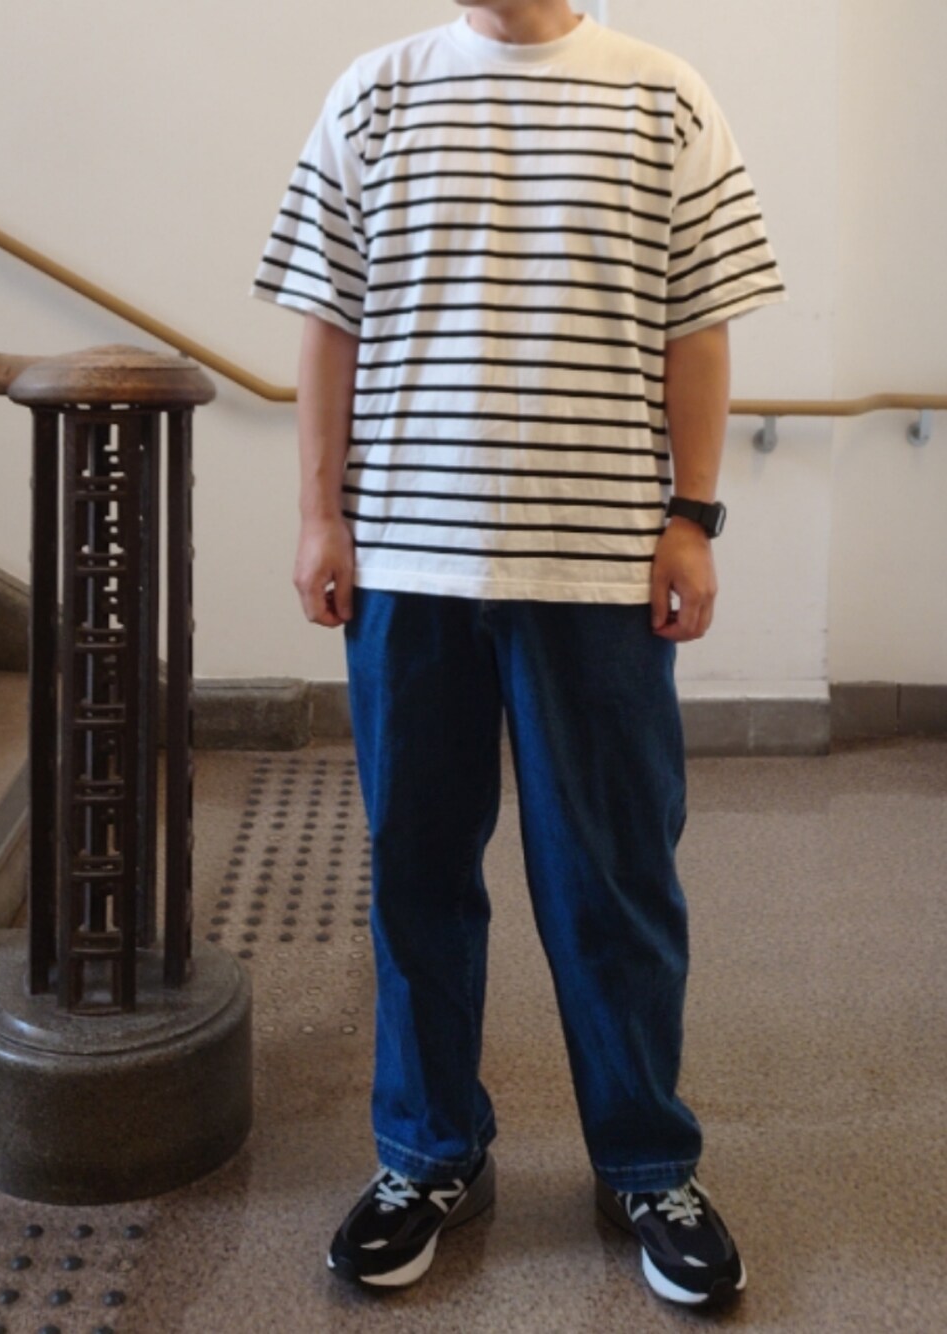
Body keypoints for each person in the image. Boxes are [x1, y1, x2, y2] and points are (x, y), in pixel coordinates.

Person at [252, 0, 784, 1308]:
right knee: (418, 875)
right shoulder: (374, 94)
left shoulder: (663, 98)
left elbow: (698, 322)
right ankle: (427, 1152)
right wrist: (321, 515)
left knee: (615, 882)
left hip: (597, 571)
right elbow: (330, 320)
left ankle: (647, 1162)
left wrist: (692, 515)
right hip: (409, 568)